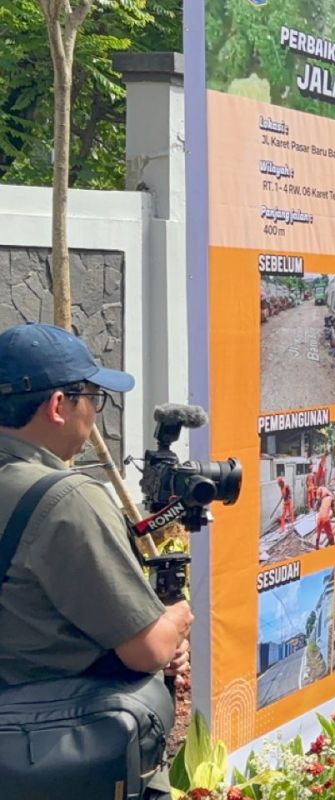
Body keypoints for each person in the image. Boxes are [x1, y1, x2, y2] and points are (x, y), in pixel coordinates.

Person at [0, 323, 193, 797]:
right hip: (47, 752)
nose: (94, 410)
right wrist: (177, 617)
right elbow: (146, 648)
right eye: (92, 395)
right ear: (57, 406)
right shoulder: (65, 500)